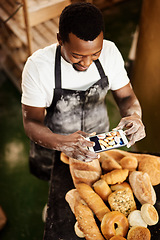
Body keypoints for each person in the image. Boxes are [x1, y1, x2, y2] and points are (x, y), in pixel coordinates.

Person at [21, 2, 145, 181]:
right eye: (77, 56)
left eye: (95, 54)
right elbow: (31, 122)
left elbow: (126, 97)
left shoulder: (110, 53)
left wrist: (134, 116)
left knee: (94, 184)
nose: (86, 63)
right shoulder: (38, 67)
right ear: (60, 40)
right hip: (53, 146)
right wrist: (62, 143)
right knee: (58, 188)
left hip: (98, 142)